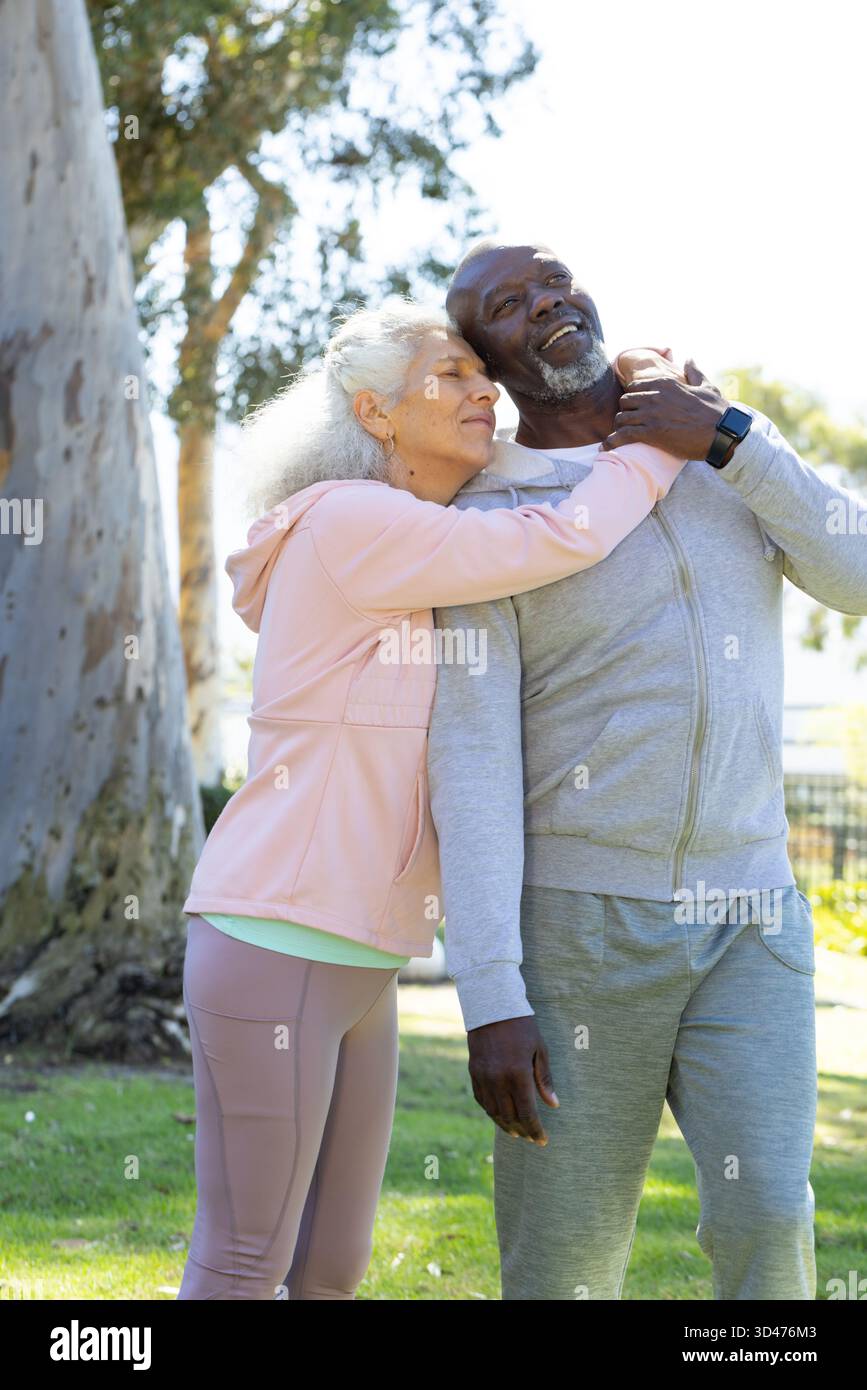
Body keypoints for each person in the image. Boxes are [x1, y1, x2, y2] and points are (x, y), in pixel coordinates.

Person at [175, 297, 687, 1299]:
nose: (482, 388)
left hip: (356, 956)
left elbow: (535, 502)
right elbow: (564, 532)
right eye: (449, 374)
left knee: (329, 1269)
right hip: (281, 932)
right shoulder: (358, 519)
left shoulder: (404, 529)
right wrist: (665, 443)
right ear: (373, 412)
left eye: (478, 374)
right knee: (243, 1259)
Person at [427, 239, 867, 1301]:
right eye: (507, 304)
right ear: (482, 357)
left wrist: (727, 436)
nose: (546, 303)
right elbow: (473, 759)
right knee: (566, 1259)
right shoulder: (490, 522)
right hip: (580, 928)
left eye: (553, 280)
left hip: (751, 915)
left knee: (769, 1211)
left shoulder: (721, 456)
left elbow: (855, 575)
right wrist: (490, 992)